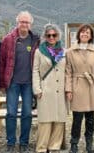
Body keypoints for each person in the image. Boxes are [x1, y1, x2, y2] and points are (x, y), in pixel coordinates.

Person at [0, 11, 40, 153]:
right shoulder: (8, 40)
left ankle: (24, 143)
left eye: (27, 22)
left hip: (29, 83)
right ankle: (10, 143)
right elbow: (2, 62)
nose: (24, 24)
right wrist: (2, 83)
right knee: (11, 113)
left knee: (27, 113)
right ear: (17, 23)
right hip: (12, 83)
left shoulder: (36, 40)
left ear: (31, 24)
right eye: (22, 22)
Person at [65, 24, 94, 153]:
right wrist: (69, 90)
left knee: (90, 118)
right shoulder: (70, 51)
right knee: (77, 118)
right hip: (77, 86)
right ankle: (74, 143)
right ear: (78, 34)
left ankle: (89, 143)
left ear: (91, 36)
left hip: (92, 86)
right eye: (82, 32)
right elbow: (68, 72)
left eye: (88, 32)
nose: (85, 34)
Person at [32, 24, 67, 153]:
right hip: (45, 89)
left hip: (60, 89)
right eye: (49, 35)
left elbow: (67, 71)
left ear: (58, 36)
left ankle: (54, 147)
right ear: (45, 37)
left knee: (59, 120)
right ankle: (41, 148)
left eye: (54, 35)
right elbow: (35, 71)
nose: (52, 37)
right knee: (45, 121)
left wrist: (68, 89)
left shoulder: (64, 51)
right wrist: (37, 89)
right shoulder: (39, 51)